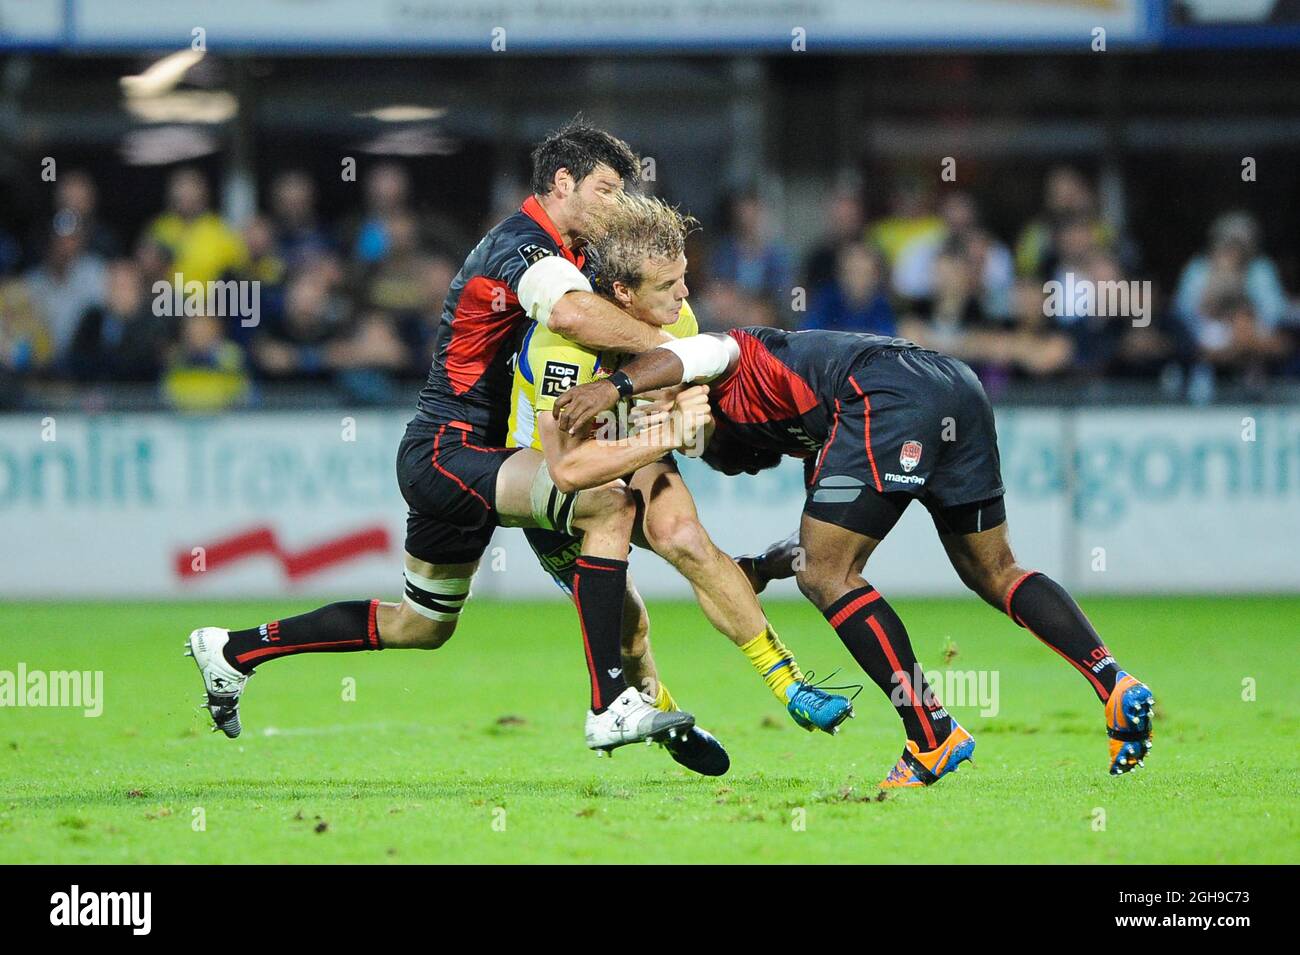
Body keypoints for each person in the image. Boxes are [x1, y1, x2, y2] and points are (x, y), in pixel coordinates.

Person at [186, 121, 712, 761]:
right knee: (607, 503)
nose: (617, 205)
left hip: (468, 457)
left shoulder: (570, 255)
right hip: (453, 450)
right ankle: (609, 708)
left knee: (421, 625)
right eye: (606, 189)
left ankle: (234, 649)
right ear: (562, 183)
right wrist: (682, 356)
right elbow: (572, 315)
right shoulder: (525, 248)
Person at [553, 297, 1156, 788]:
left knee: (828, 578)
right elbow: (825, 541)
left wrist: (613, 388)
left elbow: (695, 353)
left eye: (705, 450)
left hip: (890, 392)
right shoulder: (818, 433)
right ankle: (1114, 683)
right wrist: (765, 565)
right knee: (994, 569)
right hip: (954, 386)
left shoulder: (729, 359)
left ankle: (931, 732)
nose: (725, 464)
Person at [509, 192, 854, 753]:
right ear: (622, 294)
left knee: (687, 539)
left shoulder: (679, 322)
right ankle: (662, 717)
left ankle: (791, 685)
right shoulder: (559, 346)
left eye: (684, 278)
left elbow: (693, 433)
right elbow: (569, 468)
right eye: (667, 287)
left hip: (633, 448)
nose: (685, 295)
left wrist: (692, 428)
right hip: (550, 476)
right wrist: (668, 430)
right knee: (630, 628)